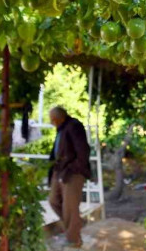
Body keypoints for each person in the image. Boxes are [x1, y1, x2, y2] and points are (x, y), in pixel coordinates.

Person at [47, 106, 91, 248]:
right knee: (53, 200)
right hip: (60, 171)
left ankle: (73, 240)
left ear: (59, 118)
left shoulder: (74, 126)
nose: (51, 122)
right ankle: (75, 225)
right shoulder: (62, 128)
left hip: (72, 173)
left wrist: (72, 168)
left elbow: (83, 152)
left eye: (53, 119)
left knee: (69, 208)